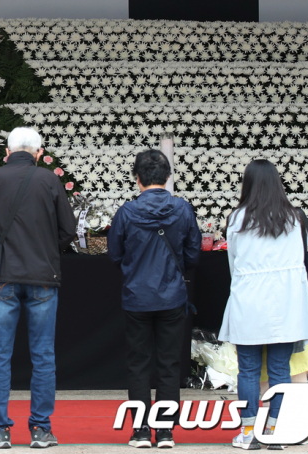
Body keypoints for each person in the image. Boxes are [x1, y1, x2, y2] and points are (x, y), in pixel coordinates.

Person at [0, 127, 76, 449]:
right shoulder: (49, 180)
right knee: (43, 355)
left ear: (8, 149)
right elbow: (68, 230)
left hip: (4, 277)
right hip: (43, 277)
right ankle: (41, 429)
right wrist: (46, 249)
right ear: (39, 151)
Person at [219, 159, 308, 450]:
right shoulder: (296, 218)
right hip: (286, 305)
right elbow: (302, 260)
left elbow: (233, 265)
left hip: (248, 302)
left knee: (248, 370)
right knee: (280, 371)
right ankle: (275, 432)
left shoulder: (237, 219)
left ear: (247, 183)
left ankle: (249, 434)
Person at [107, 149, 201, 449]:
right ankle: (164, 432)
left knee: (138, 364)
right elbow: (193, 252)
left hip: (137, 296)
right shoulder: (182, 209)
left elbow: (114, 253)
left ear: (137, 179)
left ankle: (139, 431)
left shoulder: (126, 212)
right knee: (169, 364)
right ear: (168, 177)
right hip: (172, 295)